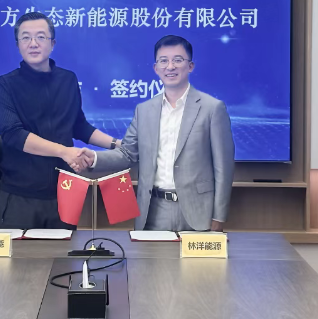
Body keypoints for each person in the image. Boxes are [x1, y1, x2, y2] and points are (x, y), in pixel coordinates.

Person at [83, 35, 235, 232]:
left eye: (178, 60)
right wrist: (94, 158)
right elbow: (127, 153)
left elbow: (224, 167)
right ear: (156, 68)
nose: (170, 66)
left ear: (190, 66)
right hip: (153, 211)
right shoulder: (144, 110)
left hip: (199, 212)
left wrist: (219, 216)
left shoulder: (212, 108)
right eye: (163, 61)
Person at [0, 12, 118, 229]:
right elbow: (13, 134)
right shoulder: (6, 84)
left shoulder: (68, 79)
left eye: (40, 37)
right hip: (20, 196)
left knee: (63, 251)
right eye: (26, 38)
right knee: (18, 253)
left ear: (52, 43)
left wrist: (117, 145)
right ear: (18, 45)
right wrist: (64, 151)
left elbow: (78, 126)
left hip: (64, 192)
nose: (33, 43)